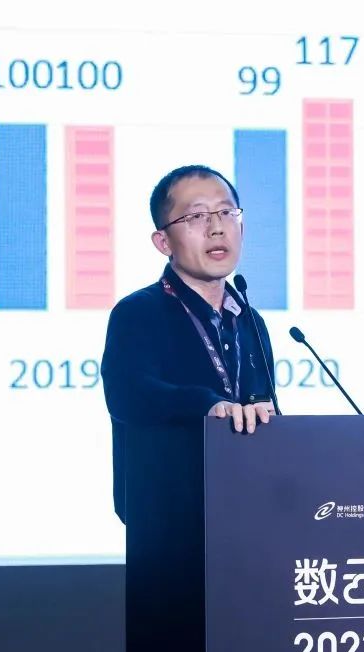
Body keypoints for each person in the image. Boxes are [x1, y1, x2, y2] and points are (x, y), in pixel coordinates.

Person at [101, 165, 278, 523]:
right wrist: (208, 405)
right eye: (197, 216)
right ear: (163, 242)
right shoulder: (138, 312)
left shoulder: (250, 321)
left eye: (226, 212)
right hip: (169, 523)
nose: (217, 227)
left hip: (248, 518)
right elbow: (128, 396)